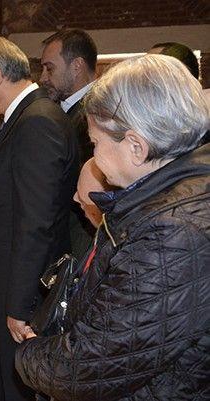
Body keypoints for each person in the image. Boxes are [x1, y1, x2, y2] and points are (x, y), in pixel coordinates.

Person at [16, 54, 210, 400]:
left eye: (96, 143)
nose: (95, 156)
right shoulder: (183, 194)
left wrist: (29, 354)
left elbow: (92, 363)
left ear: (136, 147)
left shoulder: (170, 233)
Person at [0, 35, 78, 401]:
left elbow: (36, 222)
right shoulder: (25, 118)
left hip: (21, 295)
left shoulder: (37, 121)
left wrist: (19, 305)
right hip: (9, 287)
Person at [41, 29, 99, 261]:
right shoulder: (67, 111)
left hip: (82, 237)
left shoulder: (94, 111)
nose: (43, 77)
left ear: (76, 66)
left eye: (50, 68)